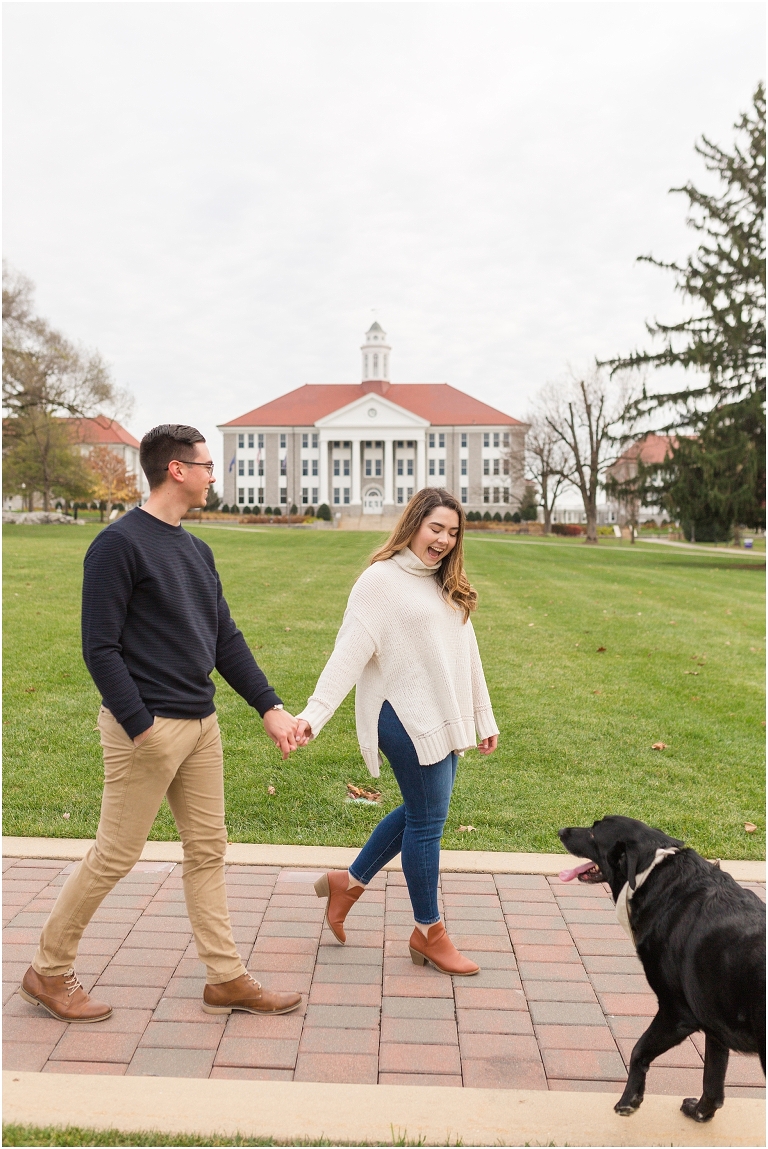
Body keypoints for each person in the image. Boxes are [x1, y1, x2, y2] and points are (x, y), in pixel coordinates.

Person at [21, 424, 302, 1022]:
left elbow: (225, 638)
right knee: (115, 855)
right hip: (145, 730)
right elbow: (99, 648)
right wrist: (140, 725)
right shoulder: (117, 545)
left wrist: (268, 706)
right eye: (205, 465)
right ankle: (47, 970)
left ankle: (225, 978)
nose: (211, 475)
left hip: (201, 726)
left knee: (208, 851)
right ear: (176, 469)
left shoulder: (197, 550)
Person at [296, 488, 498, 975]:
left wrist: (482, 716)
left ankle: (349, 884)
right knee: (428, 822)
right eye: (436, 529)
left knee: (419, 812)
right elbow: (348, 653)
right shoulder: (379, 582)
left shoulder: (444, 582)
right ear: (412, 525)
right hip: (402, 716)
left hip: (442, 714)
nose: (445, 540)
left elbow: (465, 655)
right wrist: (313, 715)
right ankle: (429, 932)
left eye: (453, 532)